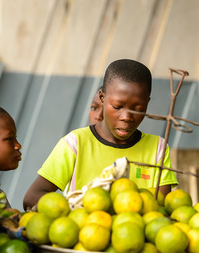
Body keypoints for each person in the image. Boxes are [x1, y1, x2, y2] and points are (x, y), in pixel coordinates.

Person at [23, 59, 178, 210]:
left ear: (147, 103)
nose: (126, 117)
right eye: (117, 106)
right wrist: (76, 209)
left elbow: (161, 207)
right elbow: (31, 198)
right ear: (102, 98)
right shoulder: (76, 144)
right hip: (85, 233)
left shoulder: (158, 148)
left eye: (137, 108)